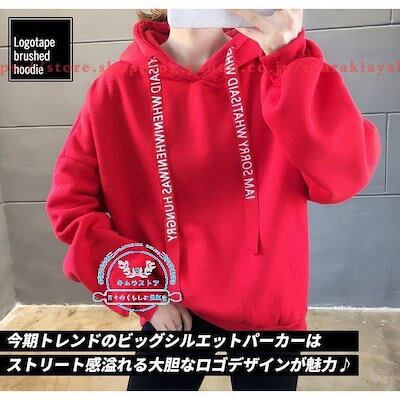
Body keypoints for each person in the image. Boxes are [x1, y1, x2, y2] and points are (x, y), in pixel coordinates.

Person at [46, 9, 381, 391]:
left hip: (267, 312)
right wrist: (143, 292)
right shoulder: (116, 87)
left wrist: (290, 60)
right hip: (172, 308)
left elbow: (344, 176)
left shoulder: (277, 66)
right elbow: (70, 206)